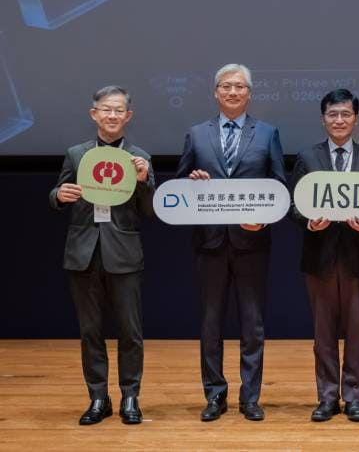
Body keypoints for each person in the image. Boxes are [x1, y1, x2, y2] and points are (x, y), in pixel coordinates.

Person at [176, 63, 286, 422]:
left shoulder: (268, 134)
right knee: (211, 323)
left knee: (252, 324)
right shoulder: (196, 134)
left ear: (249, 93)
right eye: (226, 86)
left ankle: (250, 397)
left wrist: (265, 217)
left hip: (252, 242)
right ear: (215, 92)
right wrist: (192, 181)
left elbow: (280, 188)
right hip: (209, 242)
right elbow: (179, 188)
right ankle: (214, 395)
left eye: (239, 86)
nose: (233, 92)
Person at [50, 85, 154, 425]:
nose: (112, 115)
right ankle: (98, 398)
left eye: (119, 110)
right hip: (83, 253)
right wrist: (57, 195)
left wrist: (142, 181)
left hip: (123, 253)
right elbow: (59, 192)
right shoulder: (76, 154)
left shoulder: (139, 157)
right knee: (90, 330)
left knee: (130, 331)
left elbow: (150, 211)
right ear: (94, 113)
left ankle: (130, 397)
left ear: (129, 116)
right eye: (106, 109)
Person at [289, 88, 359, 423]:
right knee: (323, 334)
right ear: (323, 119)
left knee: (357, 332)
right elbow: (293, 205)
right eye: (333, 114)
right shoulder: (307, 157)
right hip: (320, 256)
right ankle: (327, 397)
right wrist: (309, 223)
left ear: (355, 119)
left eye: (346, 114)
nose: (339, 120)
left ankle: (355, 397)